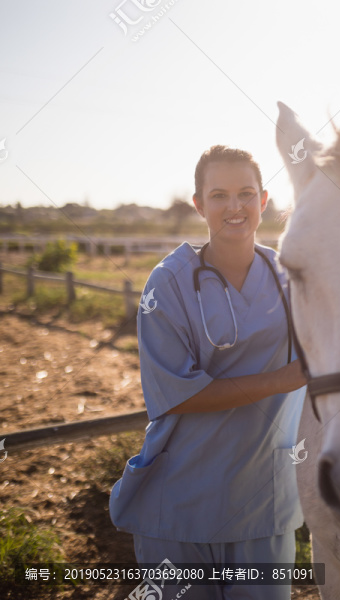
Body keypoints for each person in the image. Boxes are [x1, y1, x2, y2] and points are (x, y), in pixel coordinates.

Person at [109, 145, 308, 600]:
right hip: (183, 501)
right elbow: (179, 394)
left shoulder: (292, 276)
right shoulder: (169, 283)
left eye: (246, 193)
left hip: (263, 502)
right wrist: (286, 378)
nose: (234, 206)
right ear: (199, 204)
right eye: (219, 195)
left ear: (263, 200)